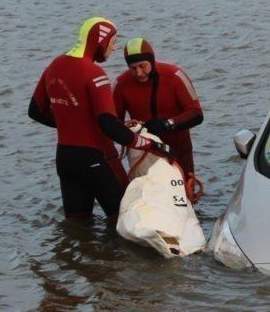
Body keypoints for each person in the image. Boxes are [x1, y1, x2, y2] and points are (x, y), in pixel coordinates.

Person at [29, 17, 169, 220]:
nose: (113, 49)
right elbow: (108, 125)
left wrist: (71, 124)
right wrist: (149, 145)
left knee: (77, 227)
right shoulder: (95, 73)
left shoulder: (55, 65)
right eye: (112, 43)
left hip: (65, 159)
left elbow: (35, 110)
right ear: (101, 42)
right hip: (97, 158)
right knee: (125, 220)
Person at [113, 38, 204, 181]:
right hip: (144, 153)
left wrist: (167, 123)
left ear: (152, 61)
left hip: (178, 149)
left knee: (186, 193)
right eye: (133, 68)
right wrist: (129, 128)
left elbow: (196, 114)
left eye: (142, 66)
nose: (139, 73)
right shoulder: (120, 84)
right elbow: (112, 124)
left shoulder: (175, 76)